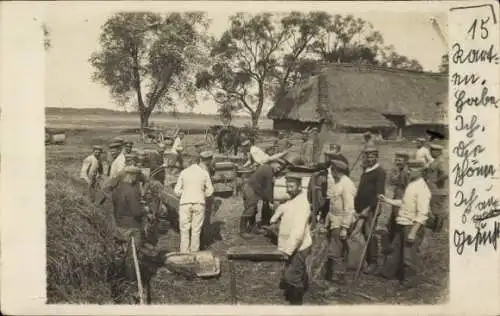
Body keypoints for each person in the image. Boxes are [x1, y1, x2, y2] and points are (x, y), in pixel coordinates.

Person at [378, 159, 431, 287]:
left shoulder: (423, 188)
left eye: (413, 169)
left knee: (409, 255)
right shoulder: (412, 184)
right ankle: (388, 273)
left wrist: (413, 232)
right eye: (409, 168)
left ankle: (410, 280)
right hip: (402, 223)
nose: (409, 171)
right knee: (395, 250)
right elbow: (404, 203)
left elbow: (423, 214)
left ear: (421, 171)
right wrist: (387, 200)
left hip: (411, 226)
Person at [270, 172, 312, 305]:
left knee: (291, 276)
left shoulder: (302, 204)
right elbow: (285, 207)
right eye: (287, 186)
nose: (288, 189)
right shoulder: (294, 199)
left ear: (299, 186)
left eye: (292, 186)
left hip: (299, 246)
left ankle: (296, 304)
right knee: (293, 271)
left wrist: (288, 251)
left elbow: (298, 232)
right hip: (292, 245)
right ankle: (294, 291)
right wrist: (275, 216)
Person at [111, 165, 148, 298]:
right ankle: (133, 284)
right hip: (132, 228)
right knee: (133, 257)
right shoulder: (131, 191)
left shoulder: (116, 189)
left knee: (119, 253)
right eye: (137, 178)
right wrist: (146, 210)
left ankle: (117, 277)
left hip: (119, 226)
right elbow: (136, 212)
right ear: (133, 177)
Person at [323, 159, 357, 284]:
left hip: (342, 220)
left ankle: (338, 276)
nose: (331, 172)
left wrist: (344, 227)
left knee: (336, 249)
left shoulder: (347, 185)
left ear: (336, 171)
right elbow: (333, 202)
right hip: (335, 219)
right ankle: (333, 273)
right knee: (335, 247)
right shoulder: (337, 182)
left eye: (332, 170)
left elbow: (349, 208)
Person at [354, 146, 386, 275]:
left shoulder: (380, 172)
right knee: (362, 233)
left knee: (369, 235)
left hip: (371, 208)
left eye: (372, 156)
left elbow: (379, 194)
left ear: (376, 157)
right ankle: (364, 259)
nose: (370, 159)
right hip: (361, 208)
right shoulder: (366, 170)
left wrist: (368, 209)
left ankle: (373, 262)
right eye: (368, 156)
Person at [174, 151, 215, 253]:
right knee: (196, 229)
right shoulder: (204, 173)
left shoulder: (184, 172)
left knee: (184, 229)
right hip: (199, 202)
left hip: (185, 202)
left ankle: (184, 251)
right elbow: (210, 191)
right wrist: (202, 194)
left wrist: (184, 193)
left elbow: (176, 190)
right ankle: (194, 251)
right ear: (199, 161)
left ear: (189, 162)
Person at [374, 151, 410, 263]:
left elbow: (406, 186)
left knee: (399, 221)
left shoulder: (407, 172)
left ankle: (397, 247)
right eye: (396, 160)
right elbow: (390, 181)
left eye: (400, 160)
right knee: (393, 221)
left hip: (403, 199)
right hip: (396, 197)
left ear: (405, 161)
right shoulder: (397, 171)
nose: (397, 162)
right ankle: (391, 246)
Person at [240, 158, 287, 238]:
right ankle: (242, 231)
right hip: (251, 189)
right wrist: (270, 201)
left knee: (254, 210)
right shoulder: (268, 171)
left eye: (280, 169)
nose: (278, 169)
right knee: (249, 209)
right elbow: (268, 188)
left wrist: (268, 200)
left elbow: (267, 187)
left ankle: (253, 228)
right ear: (274, 163)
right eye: (278, 167)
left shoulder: (267, 168)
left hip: (253, 189)